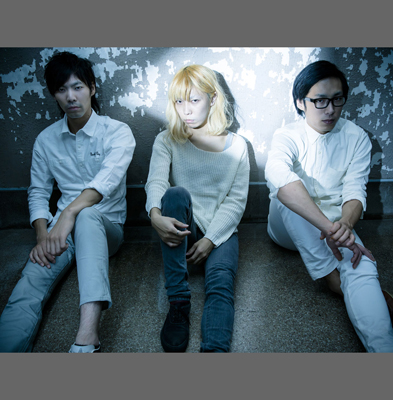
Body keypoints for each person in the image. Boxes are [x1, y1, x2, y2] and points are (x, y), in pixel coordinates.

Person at [0, 51, 136, 353]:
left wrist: (69, 213)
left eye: (77, 87)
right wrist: (42, 235)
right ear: (54, 95)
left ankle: (88, 335)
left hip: (106, 228)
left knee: (86, 215)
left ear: (92, 88)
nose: (71, 97)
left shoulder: (118, 132)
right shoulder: (46, 140)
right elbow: (38, 191)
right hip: (60, 233)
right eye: (62, 89)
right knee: (29, 284)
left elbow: (106, 183)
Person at [265, 60, 393, 352]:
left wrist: (346, 226)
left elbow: (355, 192)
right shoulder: (287, 135)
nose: (330, 109)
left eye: (337, 99)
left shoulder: (356, 138)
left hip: (334, 223)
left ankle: (385, 350)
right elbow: (278, 176)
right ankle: (331, 278)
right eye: (320, 101)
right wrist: (329, 228)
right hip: (286, 227)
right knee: (287, 192)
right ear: (300, 102)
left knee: (362, 262)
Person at [145, 65, 249, 352]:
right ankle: (178, 301)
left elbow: (236, 201)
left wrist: (210, 239)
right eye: (179, 101)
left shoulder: (238, 146)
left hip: (221, 231)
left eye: (194, 100)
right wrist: (155, 216)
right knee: (175, 194)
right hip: (182, 226)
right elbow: (156, 180)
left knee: (221, 286)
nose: (186, 110)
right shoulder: (167, 139)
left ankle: (214, 350)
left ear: (213, 99)